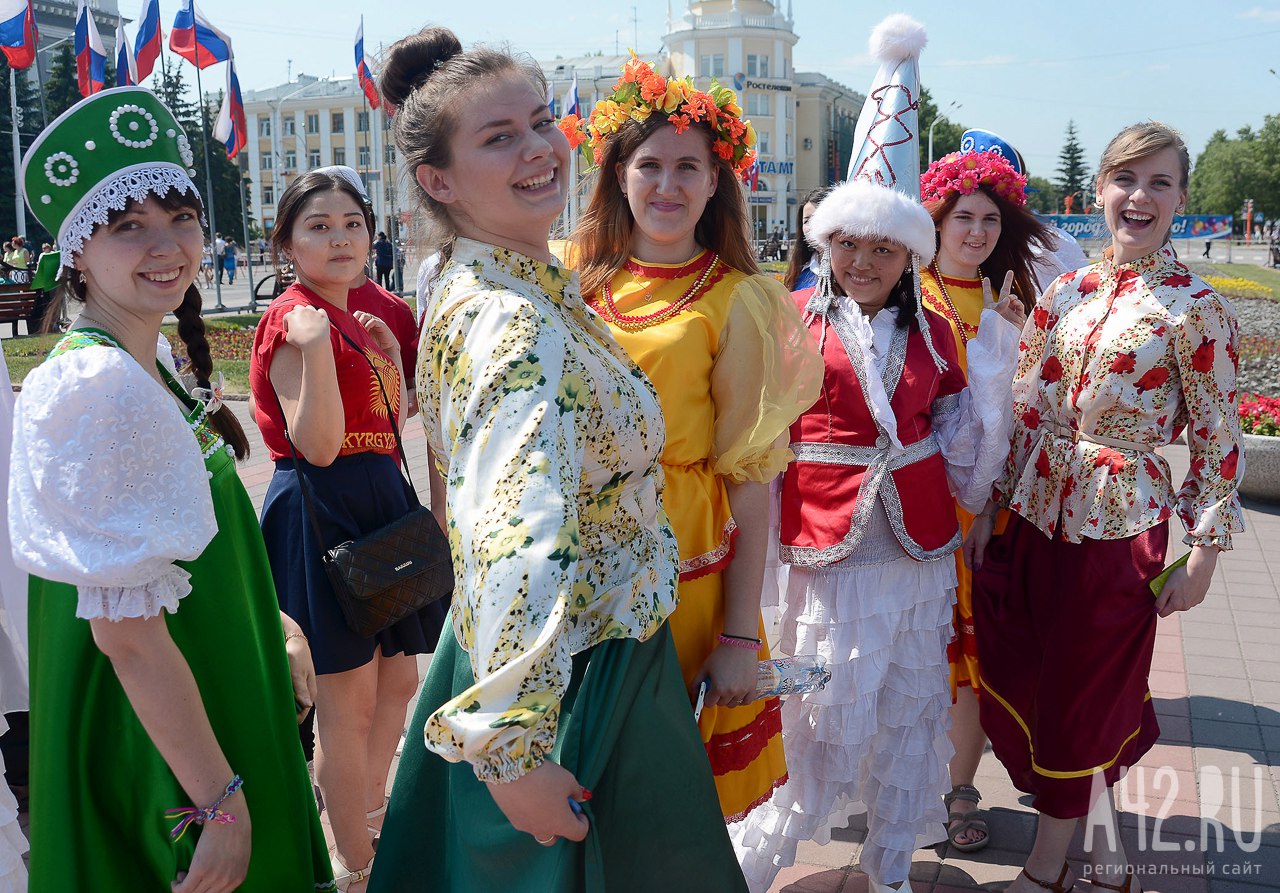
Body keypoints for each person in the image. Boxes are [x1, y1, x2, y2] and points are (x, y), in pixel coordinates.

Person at [368, 26, 748, 892]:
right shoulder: (512, 320)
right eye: (499, 138)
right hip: (575, 672)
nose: (540, 149)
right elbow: (514, 529)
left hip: (572, 652)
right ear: (437, 180)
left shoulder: (522, 285)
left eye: (541, 122)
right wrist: (512, 751)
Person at [10, 87, 333, 892]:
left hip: (204, 684)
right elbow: (126, 635)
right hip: (163, 735)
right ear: (78, 250)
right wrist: (217, 802)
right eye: (128, 226)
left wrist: (277, 620)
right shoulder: (97, 383)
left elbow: (185, 550)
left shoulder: (142, 364)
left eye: (180, 217)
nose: (167, 246)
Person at [733, 16, 1023, 893]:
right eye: (849, 243)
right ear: (827, 243)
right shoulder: (788, 321)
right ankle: (748, 864)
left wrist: (997, 359)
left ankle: (889, 865)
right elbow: (758, 445)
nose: (863, 259)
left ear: (908, 253)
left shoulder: (936, 329)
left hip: (918, 551)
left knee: (906, 709)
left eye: (884, 246)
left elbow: (966, 448)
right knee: (813, 721)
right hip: (822, 550)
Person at [965, 122, 1245, 893]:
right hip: (1034, 512)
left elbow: (1220, 439)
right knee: (1039, 676)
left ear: (1182, 198)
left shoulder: (1195, 307)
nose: (1140, 197)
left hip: (1121, 528)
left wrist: (1206, 556)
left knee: (1079, 695)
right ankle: (1112, 862)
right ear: (1098, 193)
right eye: (1125, 180)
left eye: (1159, 183)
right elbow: (1024, 407)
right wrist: (993, 512)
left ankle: (1046, 869)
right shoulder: (1068, 290)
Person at [566, 54, 822, 827]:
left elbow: (750, 475)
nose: (668, 185)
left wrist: (741, 632)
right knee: (575, 770)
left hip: (681, 561)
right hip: (572, 553)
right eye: (649, 165)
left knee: (658, 786)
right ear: (617, 174)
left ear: (718, 181)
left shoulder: (739, 299)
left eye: (689, 167)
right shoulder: (573, 277)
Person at [250, 167, 447, 891]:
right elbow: (321, 443)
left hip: (376, 498)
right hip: (320, 506)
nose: (339, 239)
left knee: (398, 677)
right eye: (318, 227)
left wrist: (390, 359)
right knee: (347, 693)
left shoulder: (361, 310)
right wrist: (307, 345)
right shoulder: (293, 318)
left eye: (351, 225)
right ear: (287, 243)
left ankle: (361, 808)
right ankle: (355, 862)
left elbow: (392, 423)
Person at [917, 130, 1054, 853]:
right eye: (962, 216)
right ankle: (897, 788)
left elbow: (1019, 424)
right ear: (935, 219)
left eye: (990, 219)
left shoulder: (1012, 306)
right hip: (903, 511)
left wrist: (992, 508)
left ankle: (959, 788)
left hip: (976, 516)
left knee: (967, 664)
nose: (976, 230)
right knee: (909, 656)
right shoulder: (903, 295)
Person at [783, 186, 833, 292]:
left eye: (818, 219)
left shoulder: (852, 272)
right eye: (807, 221)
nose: (813, 227)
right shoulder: (799, 272)